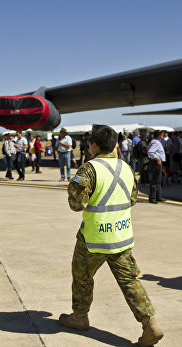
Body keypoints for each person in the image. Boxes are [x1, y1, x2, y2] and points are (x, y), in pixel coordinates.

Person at [59, 124, 163, 347]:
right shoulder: (125, 167)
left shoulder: (89, 169)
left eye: (89, 143)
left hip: (93, 238)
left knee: (82, 277)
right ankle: (149, 323)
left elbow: (76, 204)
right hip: (122, 236)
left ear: (94, 145)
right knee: (129, 281)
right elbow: (133, 200)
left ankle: (79, 316)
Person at [147, 130, 166, 203]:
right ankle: (153, 198)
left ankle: (158, 197)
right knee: (155, 181)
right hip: (156, 162)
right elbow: (150, 152)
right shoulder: (156, 142)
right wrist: (157, 158)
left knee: (158, 180)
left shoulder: (155, 141)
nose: (163, 135)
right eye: (162, 134)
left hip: (157, 162)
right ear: (159, 135)